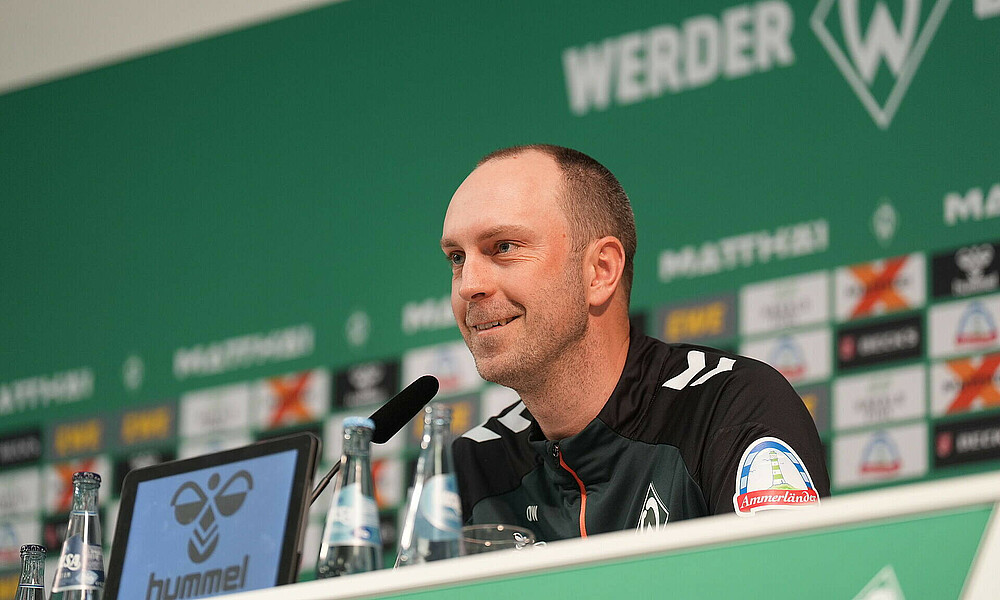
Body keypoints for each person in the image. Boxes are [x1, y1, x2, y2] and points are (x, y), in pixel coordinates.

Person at [442, 144, 829, 541]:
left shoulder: (729, 408)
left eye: (503, 248)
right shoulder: (470, 465)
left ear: (600, 271)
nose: (469, 285)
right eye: (456, 258)